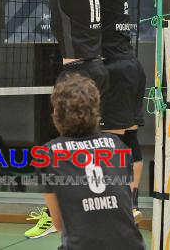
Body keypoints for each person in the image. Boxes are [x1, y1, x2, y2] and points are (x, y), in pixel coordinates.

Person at [1, 0, 146, 221]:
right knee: (126, 139)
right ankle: (130, 202)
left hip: (116, 68)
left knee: (113, 144)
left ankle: (119, 203)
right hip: (125, 66)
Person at [37, 74, 144, 249]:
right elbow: (122, 206)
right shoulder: (118, 146)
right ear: (96, 111)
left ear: (56, 113)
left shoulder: (47, 154)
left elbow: (59, 225)